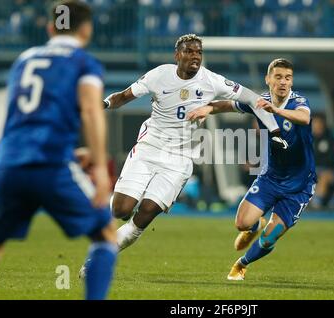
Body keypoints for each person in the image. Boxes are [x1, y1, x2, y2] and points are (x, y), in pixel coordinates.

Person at [79, 34, 288, 277]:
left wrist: (273, 130)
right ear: (177, 55)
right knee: (120, 210)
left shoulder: (211, 80)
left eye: (198, 52)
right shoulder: (160, 75)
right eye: (189, 51)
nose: (195, 56)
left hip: (179, 159)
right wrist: (102, 104)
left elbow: (252, 99)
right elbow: (124, 96)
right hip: (149, 148)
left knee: (144, 215)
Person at [0, 1, 117, 300]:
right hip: (51, 165)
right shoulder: (84, 63)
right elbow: (90, 110)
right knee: (106, 235)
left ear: (50, 27)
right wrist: (100, 167)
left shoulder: (24, 59)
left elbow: (18, 120)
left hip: (10, 165)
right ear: (86, 29)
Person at [187, 58, 316, 280]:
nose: (283, 82)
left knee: (269, 238)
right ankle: (255, 224)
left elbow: (304, 118)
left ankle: (241, 264)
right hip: (270, 178)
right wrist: (208, 108)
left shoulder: (297, 102)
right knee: (241, 223)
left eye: (288, 78)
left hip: (299, 185)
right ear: (268, 79)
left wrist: (274, 110)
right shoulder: (258, 101)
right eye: (278, 77)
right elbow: (228, 104)